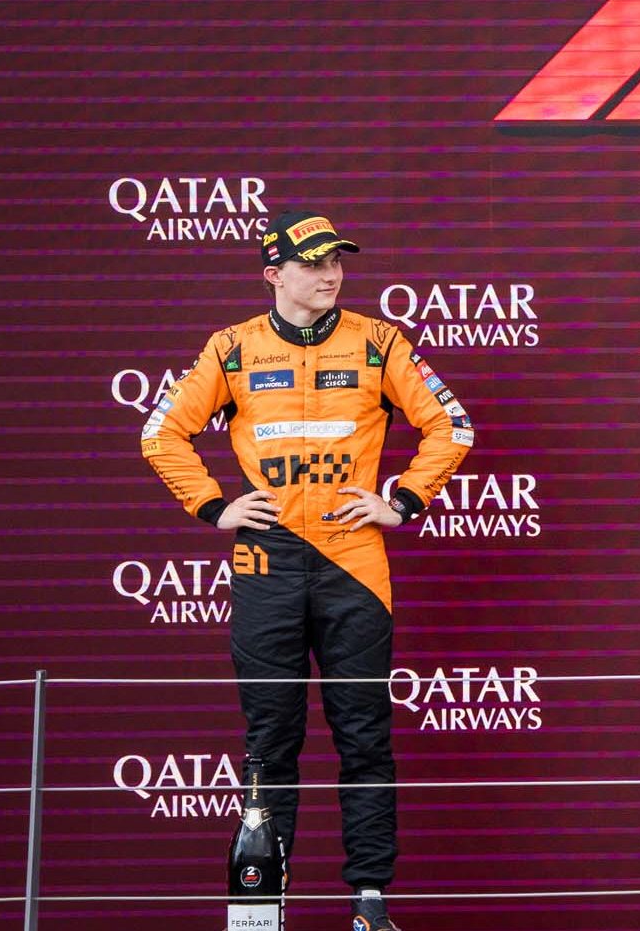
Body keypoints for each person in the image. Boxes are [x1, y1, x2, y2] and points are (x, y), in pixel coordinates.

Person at [141, 211, 473, 931]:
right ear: (274, 274)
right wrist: (212, 507)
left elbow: (454, 425)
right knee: (269, 738)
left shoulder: (379, 341)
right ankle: (260, 907)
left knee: (364, 736)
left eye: (337, 262)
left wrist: (404, 499)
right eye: (314, 262)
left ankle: (370, 901)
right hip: (267, 563)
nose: (331, 274)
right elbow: (159, 431)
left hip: (353, 563)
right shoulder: (230, 350)